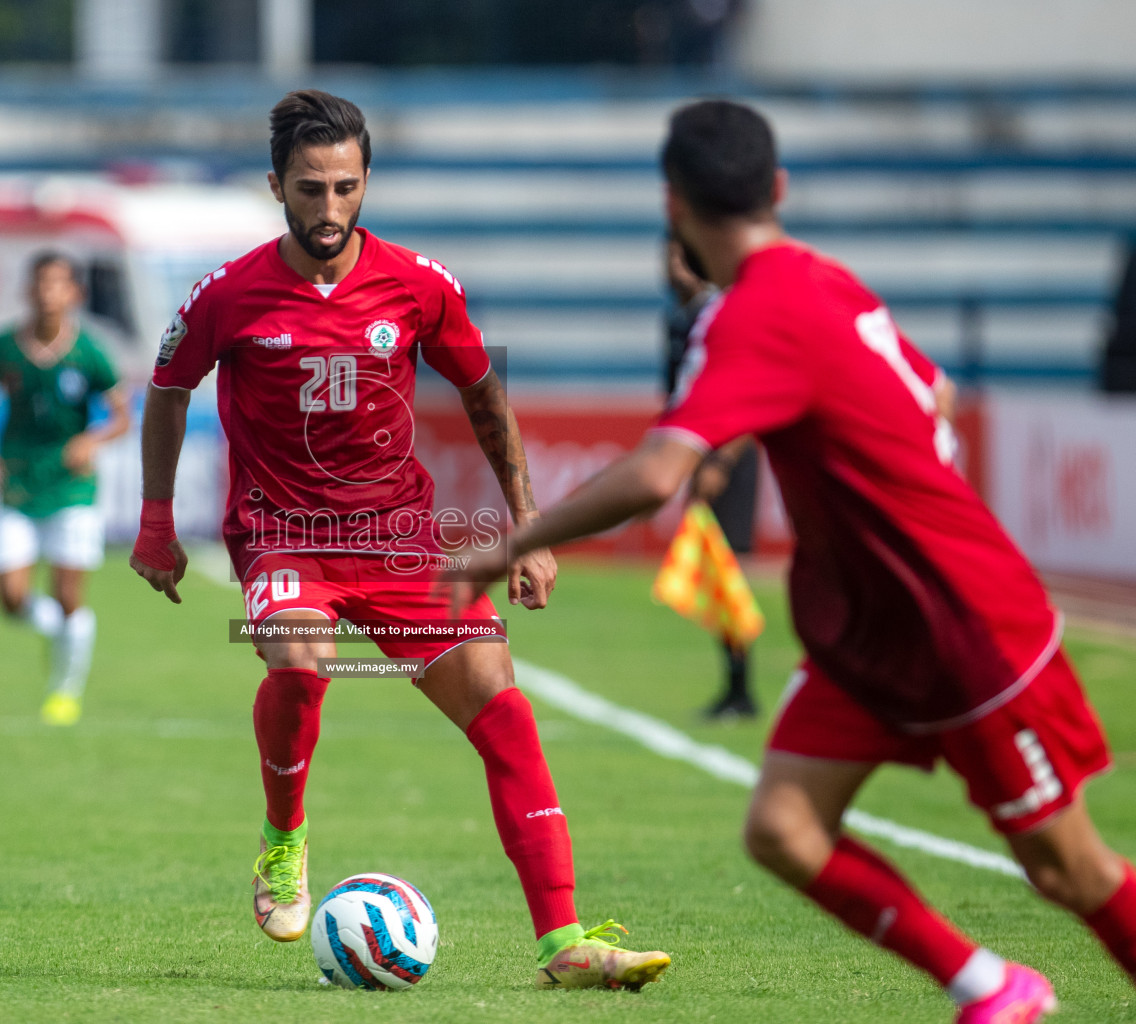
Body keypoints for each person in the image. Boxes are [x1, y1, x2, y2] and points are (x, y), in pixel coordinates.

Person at [453, 99, 1136, 1022]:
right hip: (873, 628)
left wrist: (506, 546)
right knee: (784, 827)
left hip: (962, 621)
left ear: (674, 208)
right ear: (777, 189)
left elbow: (658, 475)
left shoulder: (746, 316)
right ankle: (994, 989)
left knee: (1070, 868)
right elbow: (933, 395)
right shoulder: (829, 281)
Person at [129, 89, 670, 991]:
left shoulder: (421, 285)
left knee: (505, 714)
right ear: (276, 186)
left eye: (346, 186)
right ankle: (284, 839)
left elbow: (486, 399)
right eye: (310, 188)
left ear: (367, 180)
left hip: (400, 542)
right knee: (301, 664)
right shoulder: (227, 294)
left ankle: (564, 942)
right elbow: (166, 391)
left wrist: (529, 530)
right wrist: (155, 521)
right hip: (282, 533)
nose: (330, 208)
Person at [0, 252, 131, 726]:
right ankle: (60, 633)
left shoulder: (90, 352)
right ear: (28, 290)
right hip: (18, 484)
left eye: (58, 284)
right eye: (40, 282)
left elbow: (123, 416)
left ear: (74, 294)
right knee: (9, 597)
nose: (48, 292)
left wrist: (91, 438)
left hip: (71, 489)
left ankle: (65, 690)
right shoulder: (2, 347)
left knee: (68, 595)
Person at [664, 236, 760, 719]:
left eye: (678, 259)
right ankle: (734, 685)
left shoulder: (718, 316)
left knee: (726, 574)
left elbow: (746, 399)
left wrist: (719, 464)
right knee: (714, 571)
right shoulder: (680, 319)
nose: (669, 269)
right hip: (700, 458)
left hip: (725, 461)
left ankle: (742, 687)